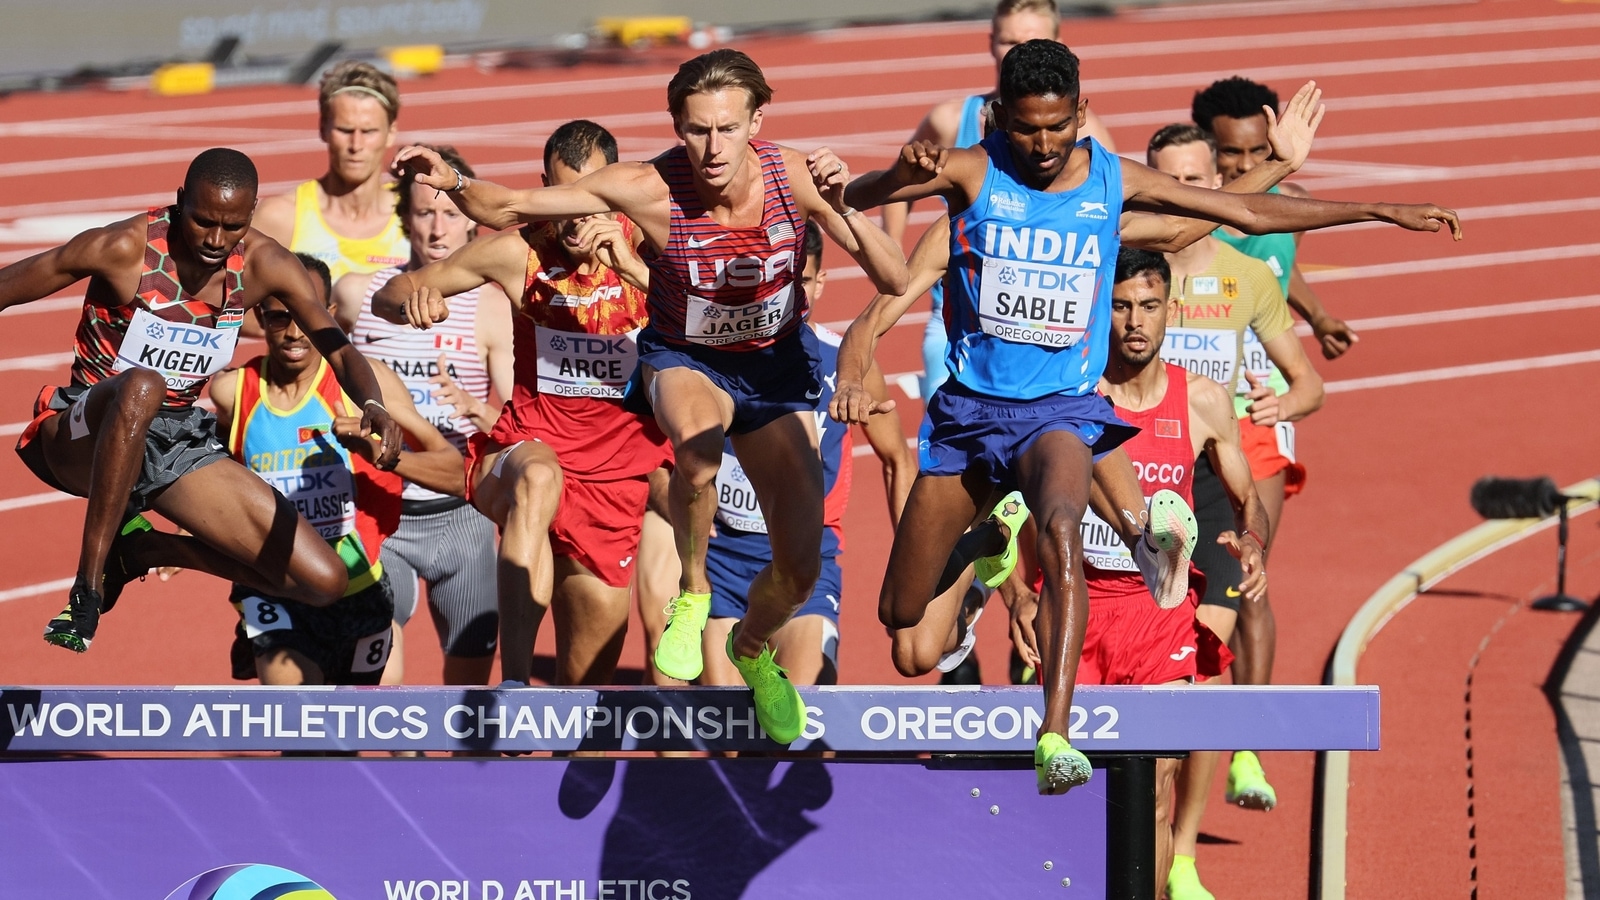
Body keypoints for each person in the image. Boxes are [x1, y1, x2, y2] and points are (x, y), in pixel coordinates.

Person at [837, 39, 1459, 793]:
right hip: (970, 417)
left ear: (1080, 114)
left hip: (1058, 411)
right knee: (900, 614)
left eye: (1059, 127)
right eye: (1028, 128)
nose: (1043, 145)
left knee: (1064, 526)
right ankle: (982, 550)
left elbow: (1237, 211)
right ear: (1001, 117)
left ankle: (1053, 734)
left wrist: (1378, 210)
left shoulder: (1107, 179)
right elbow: (865, 204)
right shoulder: (975, 170)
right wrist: (892, 178)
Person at [392, 51, 908, 742]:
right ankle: (690, 594)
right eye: (697, 130)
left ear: (757, 120)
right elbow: (513, 206)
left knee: (800, 565)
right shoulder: (645, 187)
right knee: (694, 456)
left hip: (769, 375)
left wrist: (841, 203)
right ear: (676, 127)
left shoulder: (791, 175)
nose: (713, 148)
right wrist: (452, 182)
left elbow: (895, 274)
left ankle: (750, 650)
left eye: (728, 129)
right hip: (684, 365)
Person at [4, 148, 402, 652]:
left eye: (231, 226)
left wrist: (374, 404)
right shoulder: (123, 247)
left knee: (320, 580)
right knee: (142, 385)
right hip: (82, 430)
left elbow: (337, 348)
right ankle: (88, 588)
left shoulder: (266, 264)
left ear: (252, 214)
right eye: (202, 222)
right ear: (179, 203)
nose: (216, 241)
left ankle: (143, 550)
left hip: (172, 441)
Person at [373, 120, 673, 687]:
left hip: (615, 486)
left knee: (586, 697)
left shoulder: (652, 243)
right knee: (540, 476)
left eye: (594, 199)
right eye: (566, 200)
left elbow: (707, 322)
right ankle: (512, 688)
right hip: (523, 453)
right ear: (545, 189)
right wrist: (413, 300)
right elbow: (391, 294)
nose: (579, 217)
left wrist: (631, 268)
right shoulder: (520, 253)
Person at [1147, 121, 1330, 826]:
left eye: (1198, 181)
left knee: (1198, 664)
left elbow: (1308, 382)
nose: (1185, 194)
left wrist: (1287, 399)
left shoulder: (1247, 276)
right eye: (1172, 181)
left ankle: (1183, 845)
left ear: (1219, 186)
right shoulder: (1125, 271)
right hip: (1132, 484)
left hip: (1214, 480)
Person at [1077, 248, 1268, 895]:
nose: (1136, 321)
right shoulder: (1075, 396)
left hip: (1160, 615)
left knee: (1156, 785)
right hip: (1079, 608)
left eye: (1150, 306)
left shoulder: (1205, 400)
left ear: (1171, 311)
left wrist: (1254, 542)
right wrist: (1018, 592)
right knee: (1078, 792)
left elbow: (1246, 493)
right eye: (1123, 306)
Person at [211, 253, 463, 686]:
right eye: (278, 318)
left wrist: (382, 455)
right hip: (275, 590)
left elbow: (455, 469)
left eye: (304, 317)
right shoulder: (233, 391)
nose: (293, 333)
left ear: (326, 314)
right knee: (300, 723)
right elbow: (212, 472)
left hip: (358, 586)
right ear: (260, 318)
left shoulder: (367, 387)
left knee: (362, 728)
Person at [696, 222, 914, 686]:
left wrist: (915, 575)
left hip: (805, 570)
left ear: (819, 282)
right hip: (724, 565)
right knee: (731, 738)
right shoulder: (712, 361)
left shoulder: (849, 365)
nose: (788, 295)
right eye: (779, 282)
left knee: (806, 723)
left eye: (801, 281)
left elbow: (897, 459)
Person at [338, 145, 514, 686]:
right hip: (379, 510)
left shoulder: (492, 306)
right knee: (381, 693)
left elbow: (514, 426)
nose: (438, 228)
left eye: (452, 214)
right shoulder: (356, 295)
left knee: (468, 700)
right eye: (424, 213)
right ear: (404, 218)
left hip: (461, 514)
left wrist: (473, 408)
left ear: (472, 222)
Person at [886, 0, 1117, 402]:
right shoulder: (951, 118)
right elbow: (896, 184)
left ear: (1057, 42)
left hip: (1049, 327)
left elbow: (1115, 213)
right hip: (956, 317)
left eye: (1030, 40)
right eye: (1008, 40)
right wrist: (892, 247)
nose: (1016, 50)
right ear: (991, 42)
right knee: (949, 445)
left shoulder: (1086, 133)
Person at [252, 61, 410, 339]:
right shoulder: (282, 217)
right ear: (323, 128)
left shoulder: (415, 216)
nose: (356, 145)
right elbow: (233, 310)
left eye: (369, 131)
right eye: (345, 130)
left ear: (391, 133)